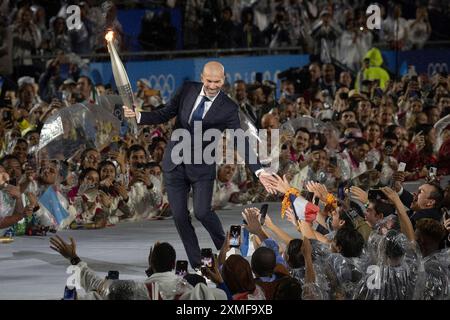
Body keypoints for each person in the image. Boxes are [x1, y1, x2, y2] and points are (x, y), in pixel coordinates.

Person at [123, 61, 276, 268]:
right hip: (174, 164)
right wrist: (139, 115)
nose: (213, 86)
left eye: (218, 81)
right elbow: (165, 113)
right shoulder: (187, 89)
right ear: (202, 78)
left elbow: (240, 140)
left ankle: (228, 252)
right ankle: (199, 264)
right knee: (179, 217)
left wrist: (258, 171)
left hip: (202, 168)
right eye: (209, 81)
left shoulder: (229, 107)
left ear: (224, 80)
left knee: (202, 212)